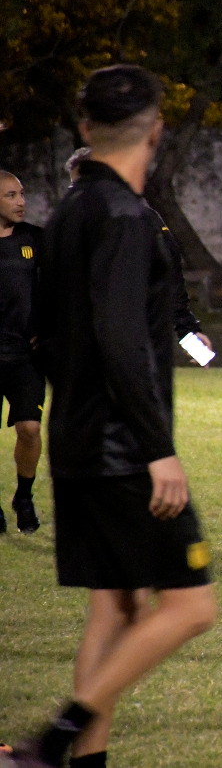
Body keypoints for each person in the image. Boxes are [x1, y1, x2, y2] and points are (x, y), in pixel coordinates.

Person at [7, 64, 218, 768]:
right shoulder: (128, 218)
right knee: (191, 606)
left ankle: (74, 759)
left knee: (115, 609)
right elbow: (121, 337)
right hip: (123, 447)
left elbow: (44, 330)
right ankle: (58, 740)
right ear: (157, 130)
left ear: (84, 128)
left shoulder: (68, 212)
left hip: (76, 436)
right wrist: (157, 446)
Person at [65, 147, 213, 356]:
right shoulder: (69, 229)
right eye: (75, 185)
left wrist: (189, 335)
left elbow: (169, 281)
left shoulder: (145, 223)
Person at [0, 171, 44, 535]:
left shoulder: (35, 239)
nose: (20, 201)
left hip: (23, 357)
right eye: (11, 195)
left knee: (29, 428)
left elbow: (62, 288)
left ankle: (24, 496)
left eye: (21, 194)